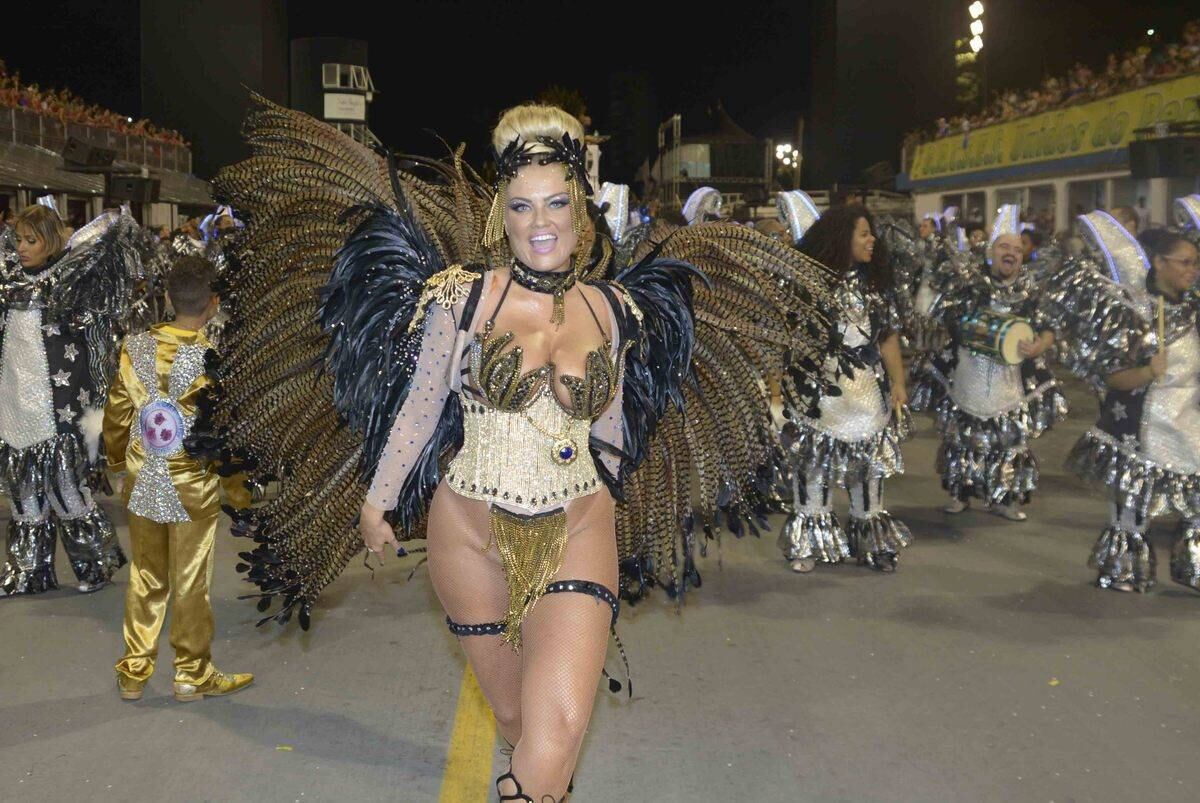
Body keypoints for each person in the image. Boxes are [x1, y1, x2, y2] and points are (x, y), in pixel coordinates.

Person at [199, 96, 840, 800]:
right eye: (522, 206)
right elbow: (419, 407)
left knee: (557, 728)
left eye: (555, 204)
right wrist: (377, 502)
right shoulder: (462, 301)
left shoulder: (613, 311)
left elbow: (612, 430)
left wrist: (625, 500)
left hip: (576, 527)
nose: (541, 223)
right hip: (469, 534)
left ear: (580, 209)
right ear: (501, 215)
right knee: (516, 720)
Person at [105, 255, 254, 700]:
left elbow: (118, 412)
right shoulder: (213, 359)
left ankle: (134, 670)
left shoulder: (134, 347)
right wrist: (237, 489)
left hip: (145, 477)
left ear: (167, 298)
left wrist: (117, 465)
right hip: (193, 485)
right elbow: (226, 431)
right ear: (213, 303)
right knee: (190, 581)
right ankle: (191, 673)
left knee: (146, 576)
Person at [1048, 209, 1200, 593]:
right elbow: (1113, 379)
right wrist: (1149, 372)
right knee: (1132, 512)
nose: (1192, 270)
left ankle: (1193, 566)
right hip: (1141, 429)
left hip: (1189, 425)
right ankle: (1123, 568)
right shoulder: (1135, 314)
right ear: (1160, 264)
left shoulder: (1194, 310)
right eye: (1185, 262)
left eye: (1196, 263)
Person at [0, 204, 135, 595]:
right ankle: (29, 571)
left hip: (57, 408)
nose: (23, 248)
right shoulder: (8, 283)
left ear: (51, 240)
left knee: (67, 489)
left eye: (32, 240)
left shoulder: (71, 283)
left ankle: (95, 564)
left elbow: (95, 349)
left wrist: (95, 409)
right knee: (24, 497)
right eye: (19, 239)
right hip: (13, 406)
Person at [778, 201, 912, 574]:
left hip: (868, 392)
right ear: (843, 237)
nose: (872, 240)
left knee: (868, 469)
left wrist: (898, 383)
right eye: (864, 233)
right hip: (819, 395)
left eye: (871, 233)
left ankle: (872, 544)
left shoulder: (876, 286)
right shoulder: (806, 285)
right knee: (814, 467)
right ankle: (808, 542)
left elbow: (887, 338)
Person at [909, 205, 1067, 521]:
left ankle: (1005, 497)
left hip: (1010, 379)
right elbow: (941, 313)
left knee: (1009, 439)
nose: (1011, 254)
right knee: (962, 436)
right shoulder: (969, 283)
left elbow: (1051, 326)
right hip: (968, 371)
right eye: (1004, 247)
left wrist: (1039, 345)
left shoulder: (1031, 289)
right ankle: (960, 492)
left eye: (1017, 249)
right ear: (991, 252)